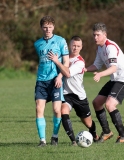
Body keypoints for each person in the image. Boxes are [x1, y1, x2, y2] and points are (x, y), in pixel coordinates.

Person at [85, 23, 124, 143]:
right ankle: (107, 132)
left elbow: (113, 68)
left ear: (105, 35)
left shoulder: (110, 47)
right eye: (94, 35)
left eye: (98, 35)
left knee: (110, 104)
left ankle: (123, 136)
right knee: (97, 102)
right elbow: (96, 65)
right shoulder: (99, 48)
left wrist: (100, 74)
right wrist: (84, 69)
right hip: (115, 79)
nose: (95, 37)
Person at [48, 36, 99, 146]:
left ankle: (94, 135)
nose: (75, 48)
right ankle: (73, 141)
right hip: (66, 94)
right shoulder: (64, 58)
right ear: (69, 46)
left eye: (78, 46)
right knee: (63, 112)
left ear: (81, 47)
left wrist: (57, 61)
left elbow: (67, 73)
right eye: (73, 45)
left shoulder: (80, 62)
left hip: (79, 96)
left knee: (88, 123)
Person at [34, 16, 69, 147]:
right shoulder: (37, 44)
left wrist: (60, 76)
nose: (47, 29)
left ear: (53, 27)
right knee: (39, 108)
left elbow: (66, 62)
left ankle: (54, 136)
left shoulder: (61, 41)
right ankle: (42, 140)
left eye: (50, 27)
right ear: (41, 28)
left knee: (56, 110)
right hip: (41, 81)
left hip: (56, 81)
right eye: (45, 27)